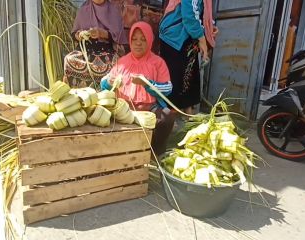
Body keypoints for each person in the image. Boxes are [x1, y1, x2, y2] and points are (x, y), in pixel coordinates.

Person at [100, 21, 175, 156]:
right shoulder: (122, 62)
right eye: (134, 39)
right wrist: (109, 82)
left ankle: (154, 153)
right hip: (123, 109)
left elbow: (168, 88)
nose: (138, 43)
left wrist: (147, 83)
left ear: (150, 40)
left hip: (149, 109)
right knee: (101, 115)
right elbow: (103, 83)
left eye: (143, 39)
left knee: (167, 117)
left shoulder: (158, 62)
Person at [159, 0, 219, 114]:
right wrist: (201, 38)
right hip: (174, 35)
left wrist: (209, 27)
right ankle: (170, 115)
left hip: (188, 33)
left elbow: (200, 10)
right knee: (175, 76)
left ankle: (187, 111)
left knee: (190, 72)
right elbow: (189, 14)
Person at [63, 0, 128, 88]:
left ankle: (106, 94)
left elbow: (119, 37)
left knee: (115, 63)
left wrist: (103, 33)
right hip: (86, 50)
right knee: (69, 59)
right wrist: (80, 35)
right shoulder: (84, 9)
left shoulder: (113, 10)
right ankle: (77, 94)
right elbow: (74, 34)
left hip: (106, 50)